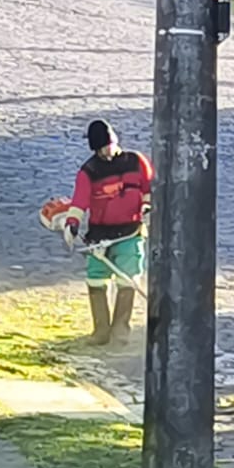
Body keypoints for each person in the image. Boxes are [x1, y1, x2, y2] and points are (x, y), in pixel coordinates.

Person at [65, 119, 153, 346]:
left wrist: (147, 205)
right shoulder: (88, 172)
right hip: (99, 237)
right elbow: (80, 201)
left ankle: (121, 330)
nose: (106, 151)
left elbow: (149, 188)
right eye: (101, 148)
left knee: (128, 280)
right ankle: (101, 330)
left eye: (108, 145)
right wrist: (72, 222)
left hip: (130, 233)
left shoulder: (136, 162)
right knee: (96, 280)